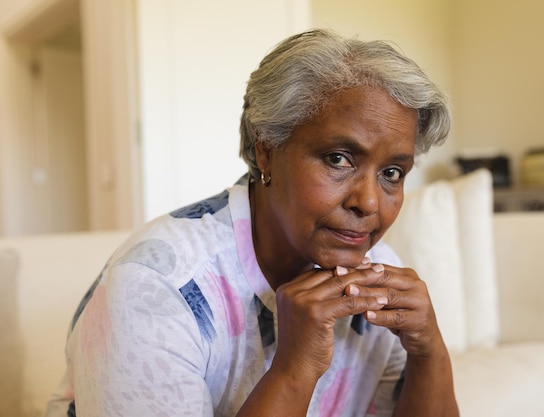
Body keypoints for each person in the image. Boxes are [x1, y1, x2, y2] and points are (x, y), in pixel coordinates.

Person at [44, 29, 458, 417]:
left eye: (393, 173)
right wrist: (293, 371)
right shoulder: (156, 288)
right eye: (338, 159)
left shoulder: (377, 276)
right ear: (266, 151)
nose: (369, 202)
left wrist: (429, 352)